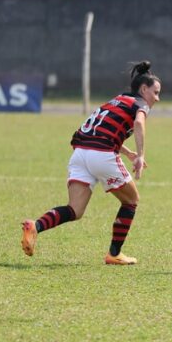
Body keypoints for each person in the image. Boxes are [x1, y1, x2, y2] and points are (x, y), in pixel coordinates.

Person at [20, 61, 161, 265]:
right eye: (155, 92)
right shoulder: (140, 104)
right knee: (131, 200)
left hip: (80, 154)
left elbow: (98, 131)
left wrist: (127, 151)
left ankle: (35, 226)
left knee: (75, 210)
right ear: (144, 89)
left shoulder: (116, 101)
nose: (157, 98)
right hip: (101, 155)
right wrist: (140, 155)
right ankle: (114, 254)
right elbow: (139, 123)